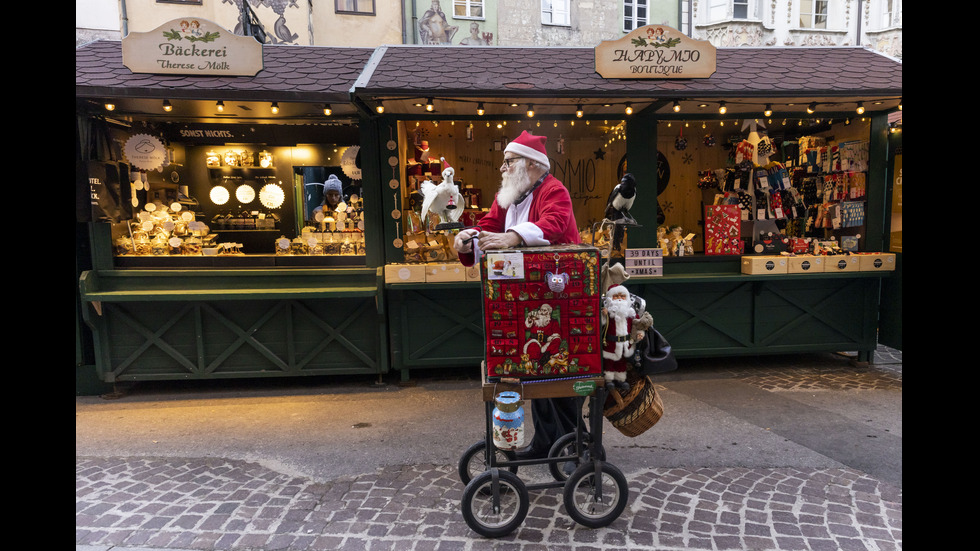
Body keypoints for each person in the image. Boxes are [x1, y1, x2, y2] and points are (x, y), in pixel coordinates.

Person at [453, 131, 582, 459]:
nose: (502, 168)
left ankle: (573, 448)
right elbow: (489, 224)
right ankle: (545, 444)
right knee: (534, 375)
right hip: (528, 303)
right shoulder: (508, 195)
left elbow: (554, 223)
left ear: (532, 165)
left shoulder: (554, 190)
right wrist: (470, 238)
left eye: (509, 162)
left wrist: (513, 237)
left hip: (561, 299)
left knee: (561, 376)